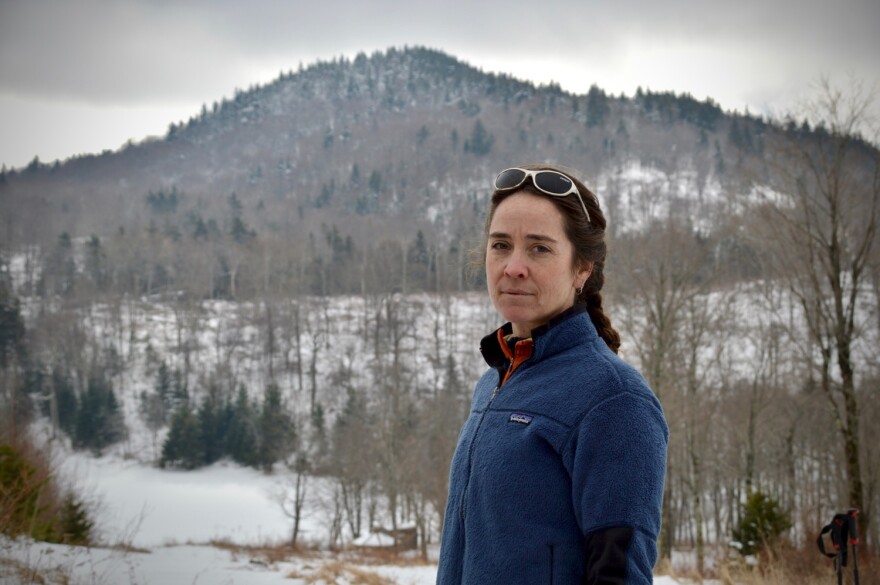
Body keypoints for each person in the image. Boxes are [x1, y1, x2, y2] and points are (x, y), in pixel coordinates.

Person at [436, 164, 668, 584]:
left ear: (582, 269)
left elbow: (619, 576)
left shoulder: (614, 400)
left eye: (539, 248)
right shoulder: (494, 381)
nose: (514, 267)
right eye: (501, 245)